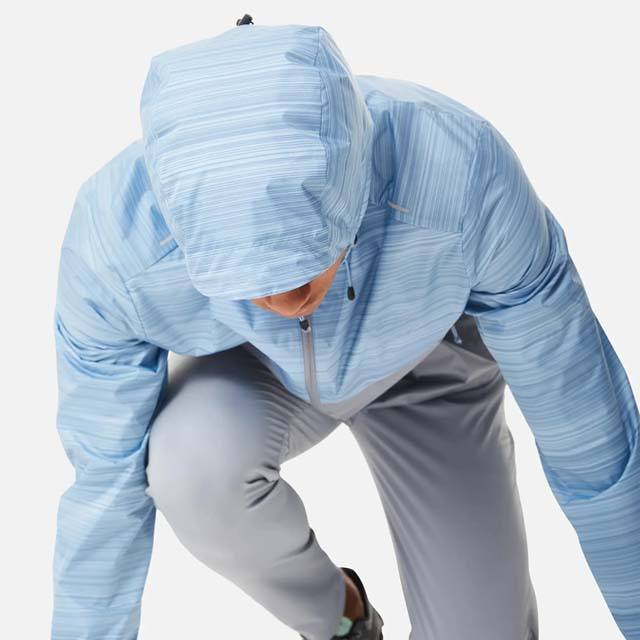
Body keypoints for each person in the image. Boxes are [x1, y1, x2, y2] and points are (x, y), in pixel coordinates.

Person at [51, 16, 640, 640]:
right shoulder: (113, 246)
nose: (285, 299)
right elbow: (104, 486)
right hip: (255, 369)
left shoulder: (462, 172)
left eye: (306, 260)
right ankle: (340, 617)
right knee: (188, 469)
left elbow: (589, 440)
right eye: (246, 276)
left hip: (432, 362)